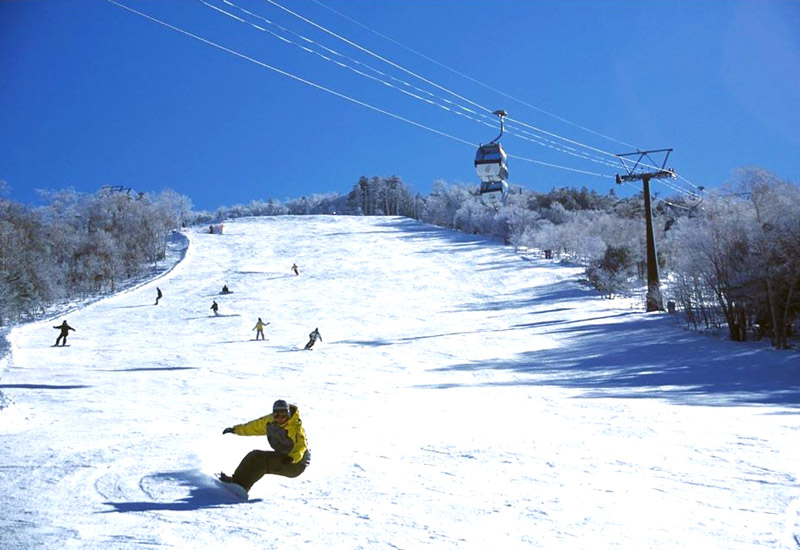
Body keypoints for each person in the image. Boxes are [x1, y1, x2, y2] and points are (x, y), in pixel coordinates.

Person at [220, 399, 310, 492]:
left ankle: (242, 487)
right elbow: (254, 427)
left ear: (288, 414)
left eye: (283, 415)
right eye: (277, 415)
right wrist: (235, 430)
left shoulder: (294, 426)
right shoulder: (270, 422)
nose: (280, 418)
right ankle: (236, 482)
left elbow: (301, 445)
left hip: (296, 464)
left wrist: (293, 457)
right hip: (283, 457)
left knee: (262, 461)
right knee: (254, 455)